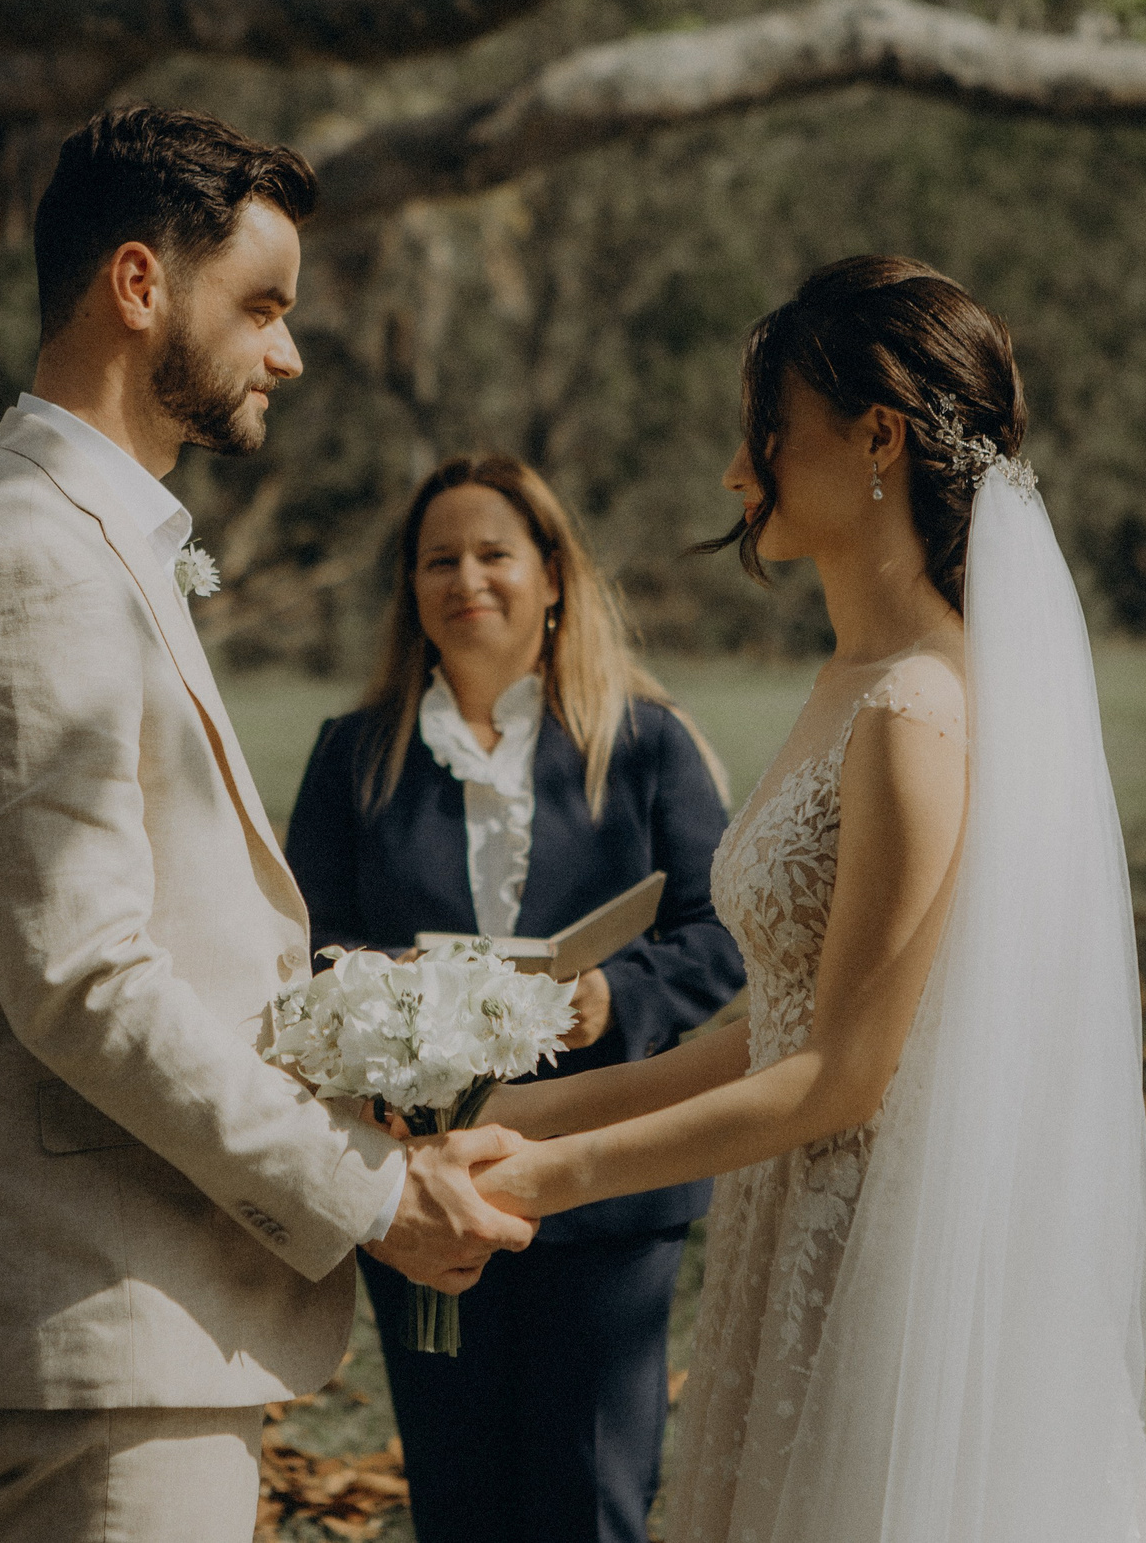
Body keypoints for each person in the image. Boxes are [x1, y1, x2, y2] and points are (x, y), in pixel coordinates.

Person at [0, 106, 536, 1543]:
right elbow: (80, 979)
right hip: (97, 1300)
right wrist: (369, 1191)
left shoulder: (76, 535)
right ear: (139, 285)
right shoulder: (31, 564)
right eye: (263, 305)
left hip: (141, 1297)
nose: (290, 350)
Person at [469, 258, 1146, 1543]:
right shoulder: (849, 683)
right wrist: (510, 1110)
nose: (739, 475)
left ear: (877, 440)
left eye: (764, 434)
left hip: (886, 1265)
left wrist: (545, 1177)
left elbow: (843, 1076)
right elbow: (782, 1027)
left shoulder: (918, 714)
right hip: (791, 1231)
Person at [285, 455, 745, 1543]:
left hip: (608, 1194)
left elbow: (721, 930)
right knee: (460, 1505)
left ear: (552, 575)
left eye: (494, 554)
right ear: (409, 587)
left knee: (590, 1505)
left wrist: (616, 996)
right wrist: (379, 1000)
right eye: (437, 559)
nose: (465, 579)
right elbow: (301, 942)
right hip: (425, 1181)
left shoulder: (643, 742)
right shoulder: (354, 756)